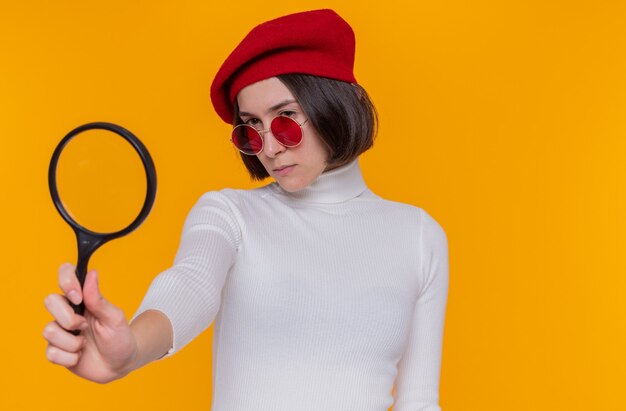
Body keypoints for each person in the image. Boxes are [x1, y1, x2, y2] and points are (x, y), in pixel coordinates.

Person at [43, 9, 449, 411]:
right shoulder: (229, 214)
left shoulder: (418, 236)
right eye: (251, 128)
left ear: (333, 104)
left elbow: (419, 401)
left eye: (285, 118)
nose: (270, 148)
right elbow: (190, 285)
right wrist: (130, 349)